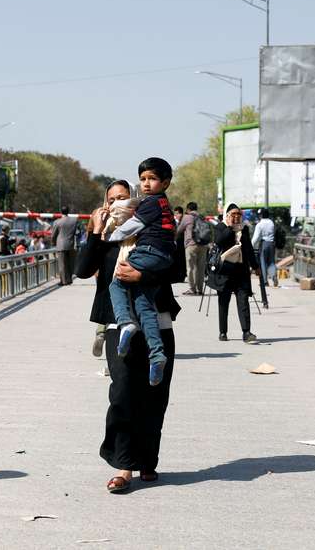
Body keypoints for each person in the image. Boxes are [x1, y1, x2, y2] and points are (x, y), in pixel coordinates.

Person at [79, 179, 180, 493]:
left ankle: (147, 461)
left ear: (135, 200)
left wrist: (143, 274)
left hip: (157, 323)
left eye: (124, 197)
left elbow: (178, 271)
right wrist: (95, 231)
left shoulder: (156, 228)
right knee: (122, 394)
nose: (118, 203)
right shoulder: (107, 236)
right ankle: (124, 466)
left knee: (154, 395)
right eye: (112, 199)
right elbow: (82, 269)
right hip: (117, 325)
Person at [107, 158, 176, 386]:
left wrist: (112, 235)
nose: (146, 184)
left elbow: (132, 226)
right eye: (143, 179)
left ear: (165, 183)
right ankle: (157, 355)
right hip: (163, 256)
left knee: (116, 283)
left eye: (152, 179)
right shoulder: (165, 204)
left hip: (147, 250)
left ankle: (125, 322)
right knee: (145, 304)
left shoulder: (151, 203)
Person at [211, 203, 259, 343]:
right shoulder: (220, 227)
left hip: (241, 271)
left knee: (243, 301)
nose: (236, 217)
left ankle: (246, 332)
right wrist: (230, 228)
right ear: (227, 215)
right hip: (224, 271)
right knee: (223, 302)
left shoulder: (244, 229)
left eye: (239, 214)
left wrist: (255, 266)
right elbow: (219, 242)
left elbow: (248, 248)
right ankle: (223, 332)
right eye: (233, 214)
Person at [177, 201, 208, 296]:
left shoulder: (187, 217)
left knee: (191, 267)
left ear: (188, 209)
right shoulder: (202, 217)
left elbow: (179, 230)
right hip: (203, 245)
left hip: (191, 245)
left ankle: (192, 289)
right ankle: (200, 290)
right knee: (201, 268)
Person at [51, 206, 79, 285]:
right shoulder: (74, 221)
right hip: (70, 244)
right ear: (68, 211)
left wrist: (53, 243)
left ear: (61, 212)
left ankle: (63, 281)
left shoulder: (57, 222)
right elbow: (76, 232)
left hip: (60, 245)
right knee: (70, 263)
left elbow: (53, 235)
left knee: (62, 264)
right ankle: (69, 279)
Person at [252, 208, 278, 287]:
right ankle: (274, 277)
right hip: (271, 244)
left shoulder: (260, 224)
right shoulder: (271, 223)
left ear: (261, 215)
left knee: (263, 262)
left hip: (264, 244)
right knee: (271, 262)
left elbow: (256, 238)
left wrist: (250, 246)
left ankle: (265, 281)